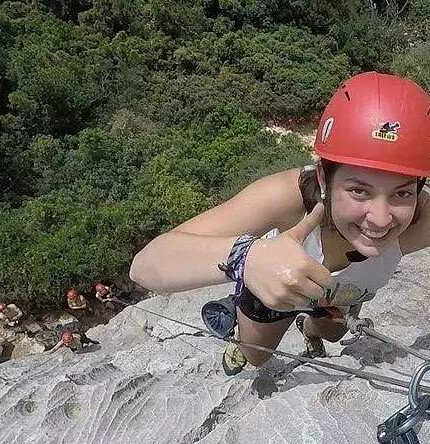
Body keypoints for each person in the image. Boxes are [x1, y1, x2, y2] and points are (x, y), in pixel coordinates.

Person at [129, 71, 430, 375]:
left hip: (339, 294)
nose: (380, 219)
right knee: (256, 356)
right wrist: (246, 258)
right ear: (324, 176)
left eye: (402, 192)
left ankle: (308, 328)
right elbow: (146, 265)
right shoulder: (285, 199)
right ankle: (241, 322)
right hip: (272, 285)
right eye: (358, 191)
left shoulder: (421, 217)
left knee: (333, 333)